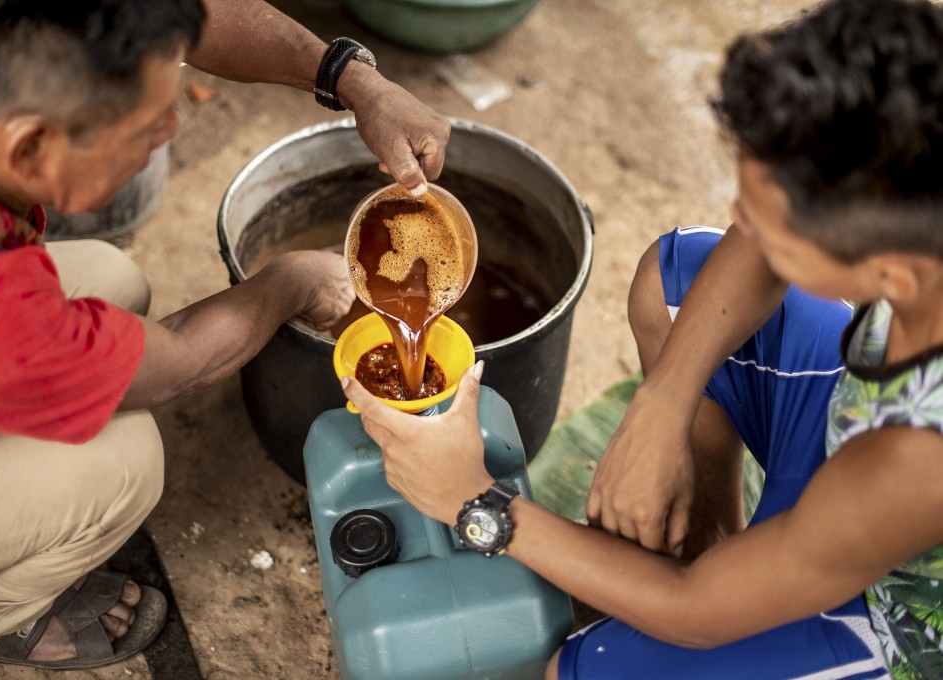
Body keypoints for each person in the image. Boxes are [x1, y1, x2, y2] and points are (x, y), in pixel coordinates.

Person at [342, 0, 943, 676]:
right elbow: (746, 249)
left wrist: (474, 502)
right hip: (851, 456)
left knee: (579, 669)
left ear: (887, 272)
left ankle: (742, 584)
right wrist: (664, 403)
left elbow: (698, 614)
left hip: (899, 622)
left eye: (768, 221)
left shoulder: (915, 461)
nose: (741, 223)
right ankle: (713, 541)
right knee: (675, 281)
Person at [0, 0, 450, 670]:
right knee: (124, 462)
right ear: (29, 144)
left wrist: (357, 81)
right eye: (144, 126)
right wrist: (288, 282)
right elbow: (178, 367)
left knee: (110, 280)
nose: (170, 128)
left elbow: (189, 11)